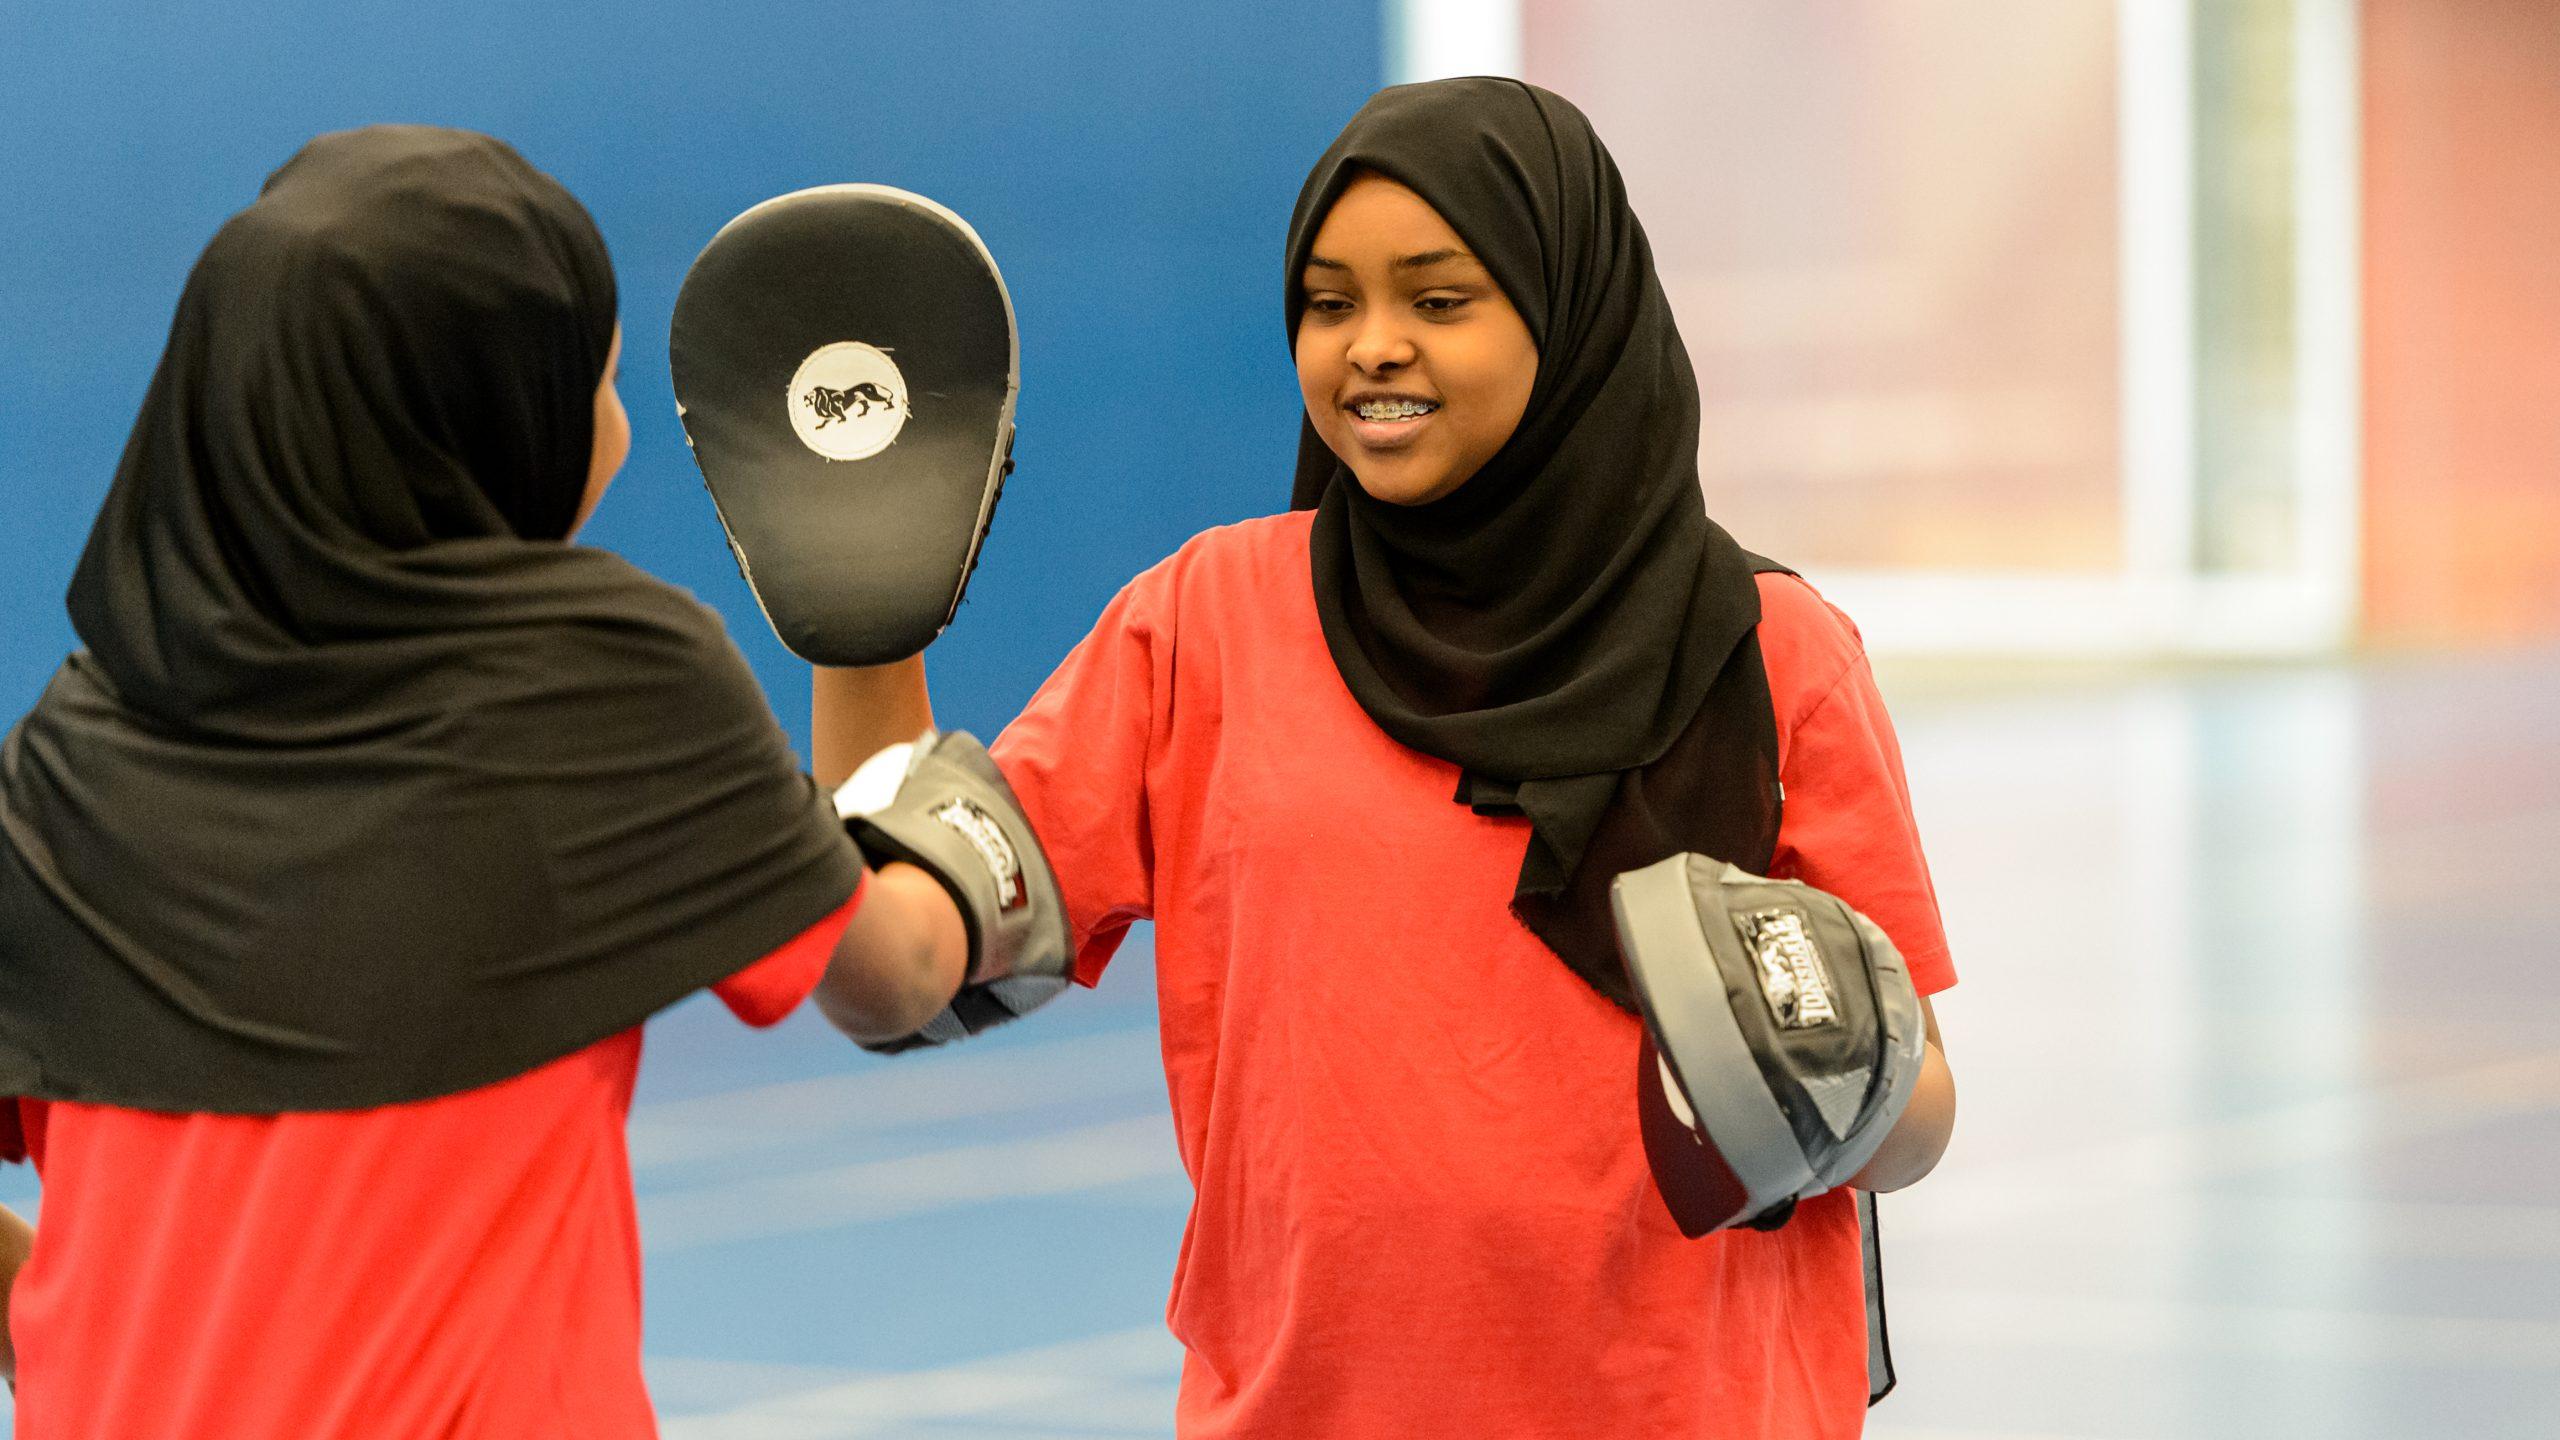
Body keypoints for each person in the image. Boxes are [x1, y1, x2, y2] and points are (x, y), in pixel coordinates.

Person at [822, 79, 1960, 1438]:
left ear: (1567, 309)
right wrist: (860, 626)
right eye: (1328, 301)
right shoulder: (1204, 624)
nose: (1371, 347)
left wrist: (1830, 1072)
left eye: (1437, 299)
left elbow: (1921, 1115)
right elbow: (903, 962)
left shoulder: (1772, 652)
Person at [0, 126, 997, 1437]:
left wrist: (66, 1330)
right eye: (600, 383)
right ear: (487, 420)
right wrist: (944, 756)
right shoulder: (602, 691)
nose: (623, 436)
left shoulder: (65, 757)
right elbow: (903, 975)